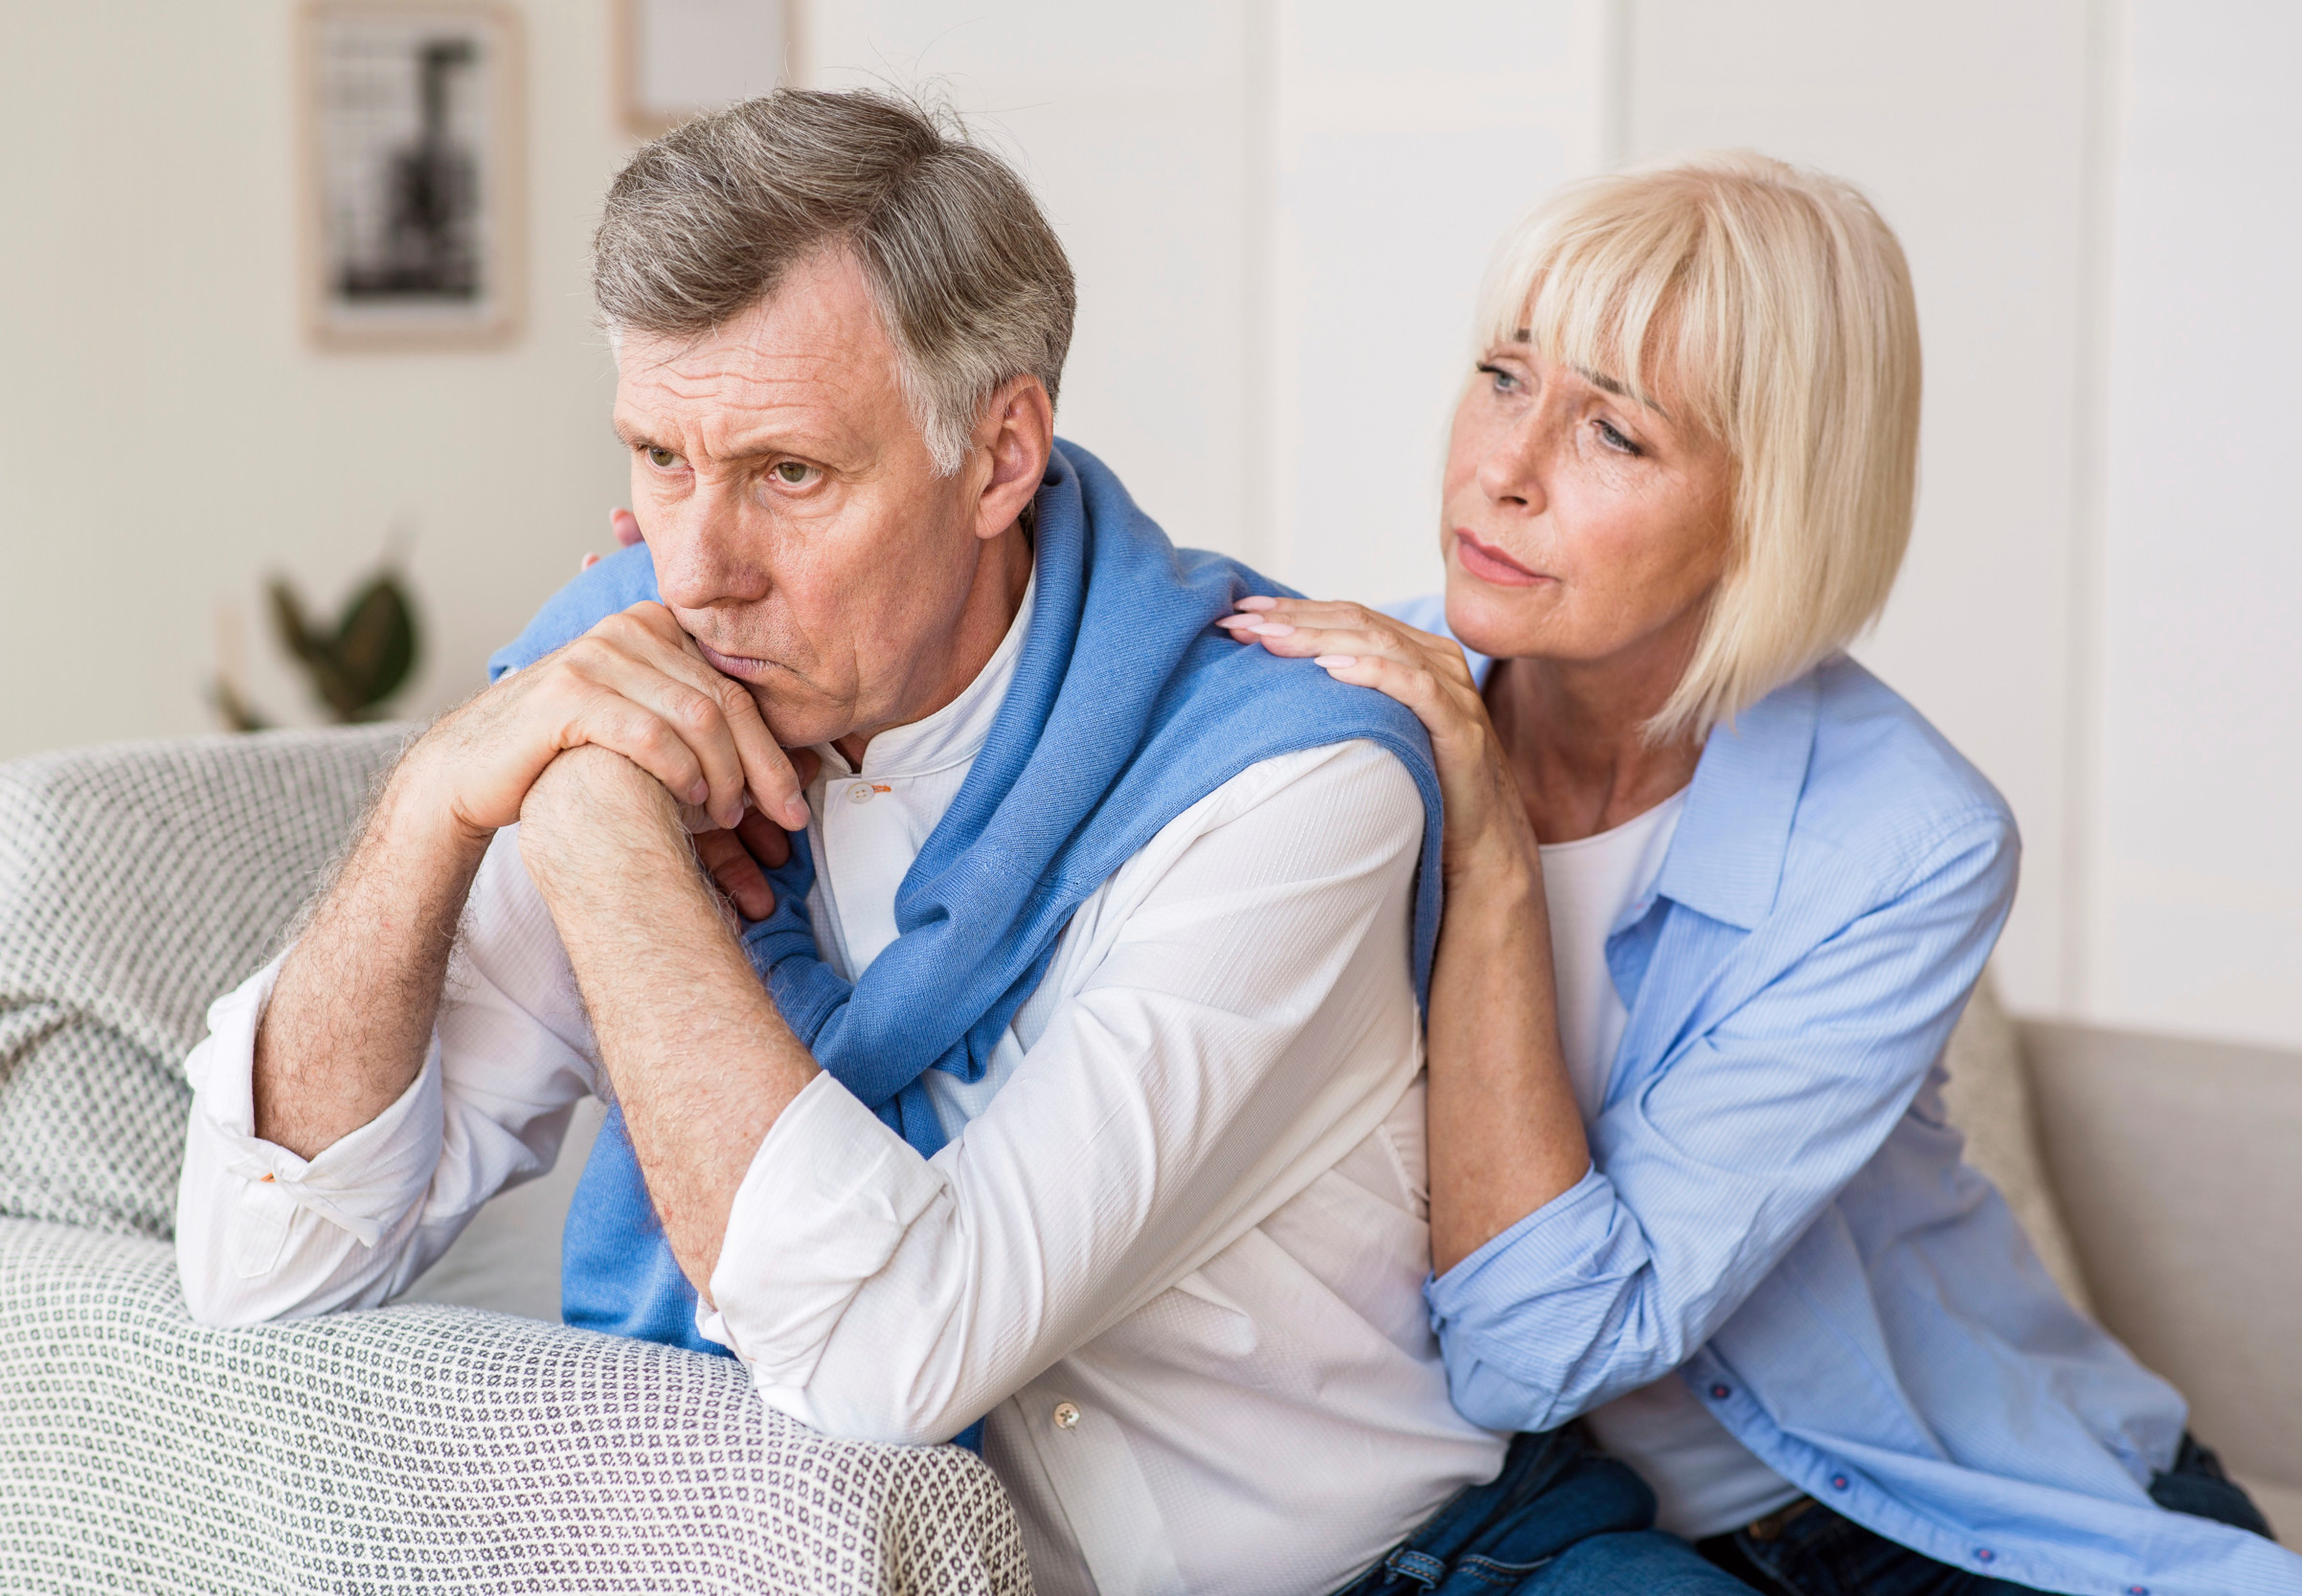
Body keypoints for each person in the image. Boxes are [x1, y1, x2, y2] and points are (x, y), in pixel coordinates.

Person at [173, 91, 1753, 1596]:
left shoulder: (1287, 787)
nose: (701, 567)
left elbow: (888, 1352)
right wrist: (446, 788)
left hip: (1426, 1567)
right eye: (658, 460)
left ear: (999, 456)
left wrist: (590, 831)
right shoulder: (640, 685)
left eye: (789, 473)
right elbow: (269, 1259)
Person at [1220, 153, 2302, 1596]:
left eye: (1612, 432)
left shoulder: (1908, 845)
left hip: (1959, 1510)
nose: (1504, 467)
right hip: (1573, 1529)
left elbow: (1544, 1343)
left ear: (1770, 509)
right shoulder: (1344, 713)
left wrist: (1491, 854)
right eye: (1501, 375)